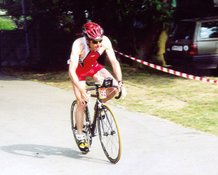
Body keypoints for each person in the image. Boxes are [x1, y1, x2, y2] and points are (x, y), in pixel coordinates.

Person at [68, 21, 125, 153]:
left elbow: (114, 62)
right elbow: (71, 72)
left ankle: (100, 104)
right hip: (78, 71)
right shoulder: (79, 44)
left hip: (93, 67)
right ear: (87, 40)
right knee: (81, 102)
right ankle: (80, 134)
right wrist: (82, 91)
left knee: (115, 88)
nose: (98, 44)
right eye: (94, 42)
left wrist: (120, 82)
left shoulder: (105, 41)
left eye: (99, 41)